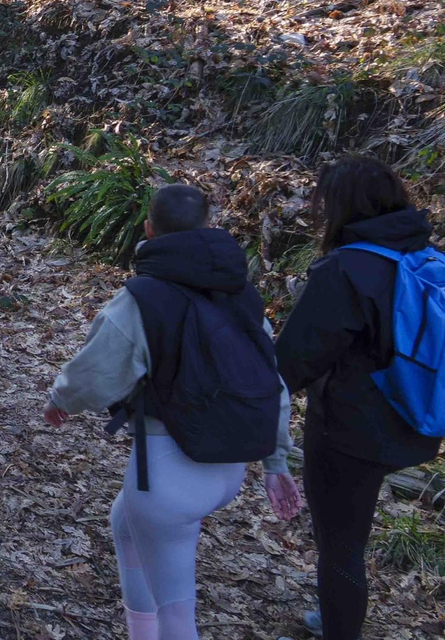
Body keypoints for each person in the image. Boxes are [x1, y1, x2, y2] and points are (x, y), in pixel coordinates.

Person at [45, 184, 300, 640]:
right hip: (226, 468)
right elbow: (270, 380)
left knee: (178, 612)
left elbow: (95, 372)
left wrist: (60, 401)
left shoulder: (143, 298)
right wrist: (275, 461)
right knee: (125, 524)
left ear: (148, 229)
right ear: (209, 226)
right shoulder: (241, 294)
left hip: (167, 475)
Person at [274, 157, 441, 640]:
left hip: (350, 431)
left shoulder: (346, 269)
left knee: (340, 545)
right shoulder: (427, 258)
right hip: (415, 419)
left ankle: (338, 629)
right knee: (351, 538)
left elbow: (295, 361)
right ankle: (337, 618)